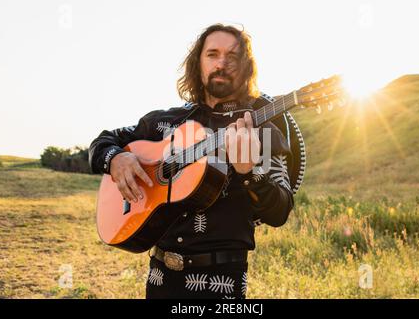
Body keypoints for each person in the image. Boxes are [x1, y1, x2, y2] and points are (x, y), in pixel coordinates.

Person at [88, 23, 294, 299]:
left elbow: (280, 211)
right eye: (212, 54)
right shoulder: (164, 122)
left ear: (246, 66)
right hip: (159, 279)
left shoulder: (264, 131)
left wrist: (249, 170)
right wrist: (117, 159)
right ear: (197, 63)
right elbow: (102, 142)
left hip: (223, 285)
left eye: (232, 56)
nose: (222, 63)